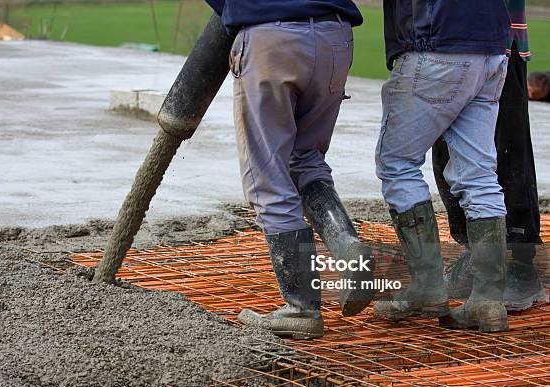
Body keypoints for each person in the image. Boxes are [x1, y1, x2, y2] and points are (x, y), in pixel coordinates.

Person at [204, 0, 375, 339]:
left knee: (266, 178)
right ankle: (347, 248)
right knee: (306, 160)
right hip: (333, 36)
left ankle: (301, 307)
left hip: (271, 37)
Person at [375, 0, 512, 332]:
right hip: (492, 50)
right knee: (479, 176)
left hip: (437, 47)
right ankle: (488, 301)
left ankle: (426, 288)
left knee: (397, 163)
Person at [433, 0, 548, 313]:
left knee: (508, 150)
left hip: (497, 42)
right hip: (439, 42)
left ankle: (520, 262)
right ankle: (476, 250)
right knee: (446, 153)